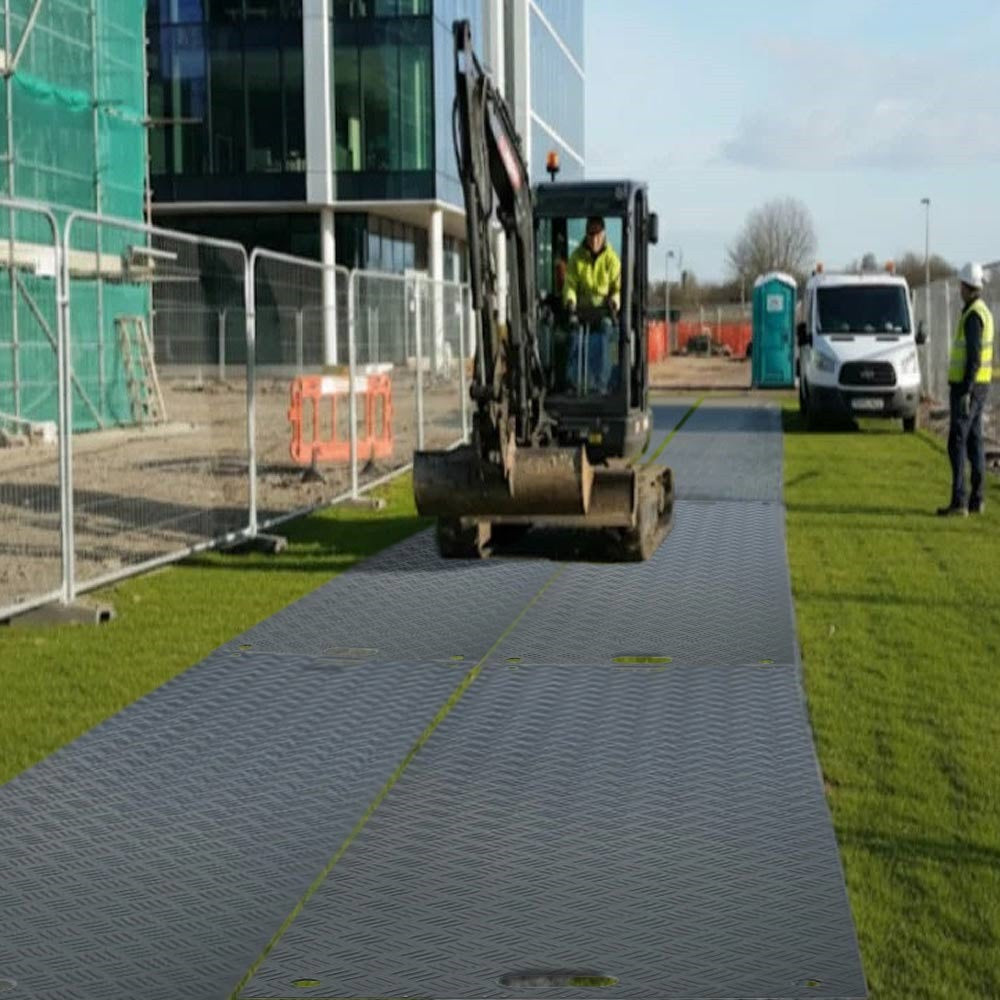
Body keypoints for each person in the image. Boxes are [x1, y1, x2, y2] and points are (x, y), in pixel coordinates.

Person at [938, 262, 994, 516]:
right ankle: (977, 499)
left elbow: (973, 356)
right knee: (974, 440)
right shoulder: (982, 311)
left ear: (966, 286)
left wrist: (967, 389)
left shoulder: (973, 315)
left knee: (957, 441)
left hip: (967, 387)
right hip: (979, 385)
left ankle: (959, 499)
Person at [562, 217, 622, 393]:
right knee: (573, 334)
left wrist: (614, 301)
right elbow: (570, 284)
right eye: (591, 234)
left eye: (597, 234)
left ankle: (604, 384)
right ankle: (573, 383)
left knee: (608, 335)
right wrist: (570, 300)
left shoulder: (612, 260)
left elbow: (618, 287)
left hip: (604, 312)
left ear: (603, 234)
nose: (594, 239)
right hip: (581, 311)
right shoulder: (576, 258)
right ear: (586, 234)